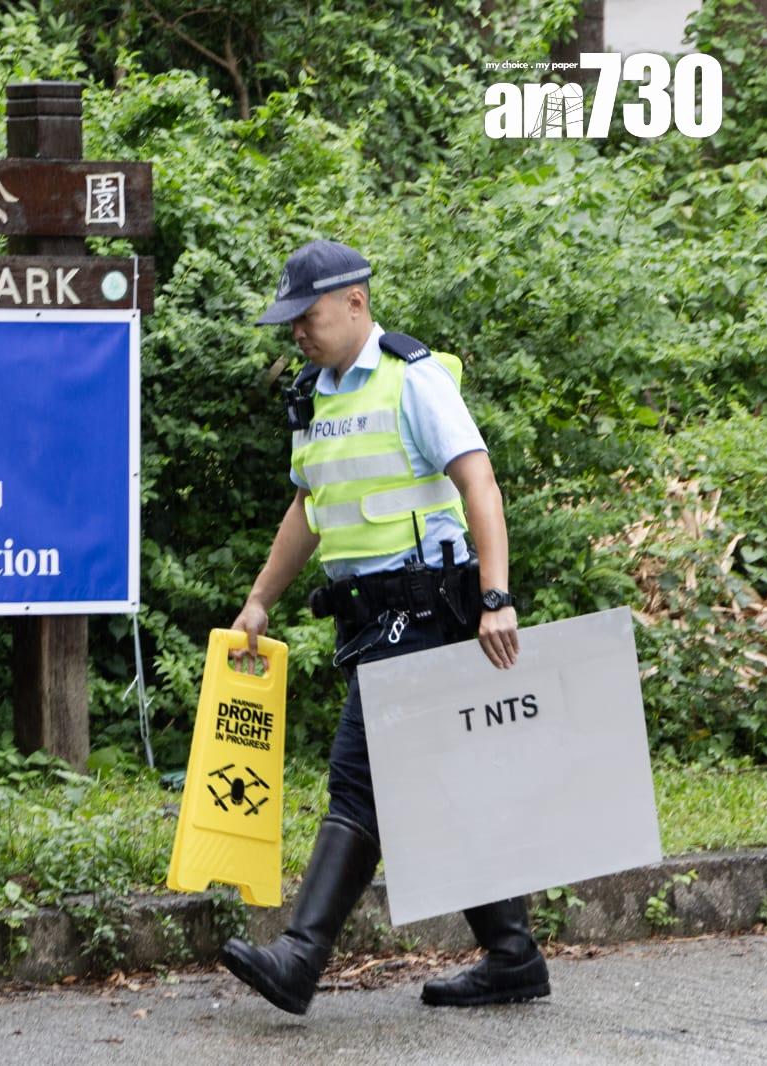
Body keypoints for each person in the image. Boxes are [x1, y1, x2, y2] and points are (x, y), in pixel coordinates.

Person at [218, 239, 549, 1014]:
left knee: (360, 780)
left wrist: (496, 598)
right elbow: (308, 507)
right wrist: (261, 599)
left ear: (356, 302)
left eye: (309, 314)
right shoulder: (315, 395)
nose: (297, 330)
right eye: (290, 320)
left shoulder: (414, 380)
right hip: (368, 621)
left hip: (427, 611)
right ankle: (513, 956)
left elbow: (480, 485)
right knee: (437, 790)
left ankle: (300, 956)